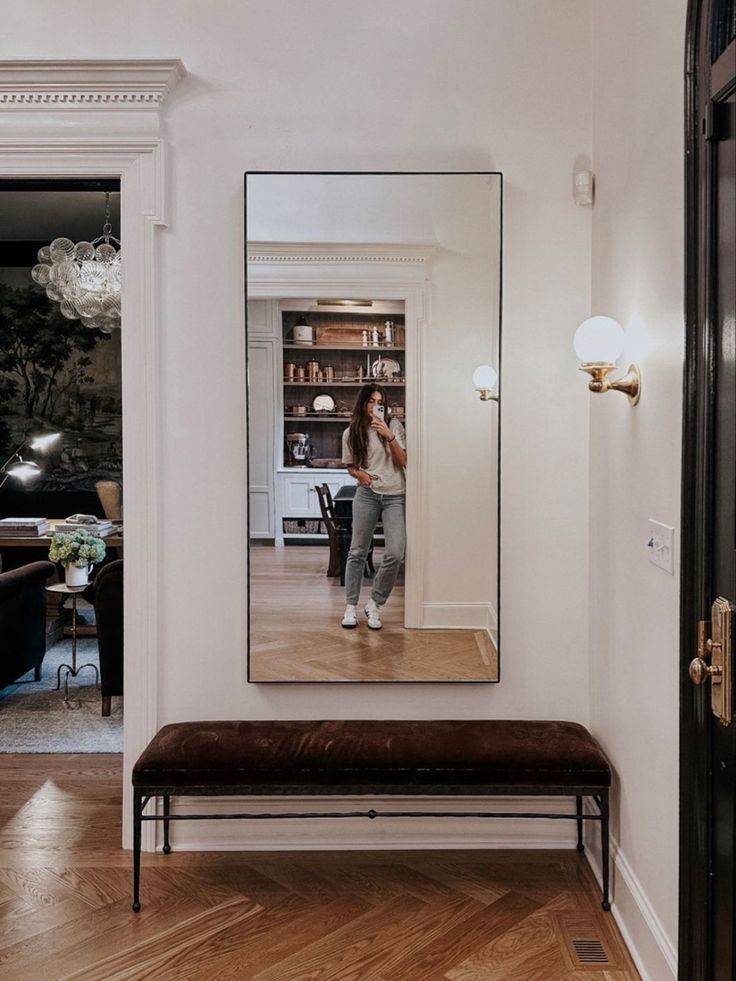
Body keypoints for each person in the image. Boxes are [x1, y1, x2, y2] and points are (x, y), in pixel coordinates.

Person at [340, 383, 407, 630]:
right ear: (363, 404)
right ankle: (350, 607)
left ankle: (375, 604)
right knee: (357, 551)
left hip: (395, 495)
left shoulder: (395, 426)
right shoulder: (351, 433)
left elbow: (403, 462)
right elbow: (350, 466)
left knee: (396, 553)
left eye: (380, 402)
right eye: (371, 401)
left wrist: (388, 435)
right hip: (367, 494)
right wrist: (360, 476)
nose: (375, 407)